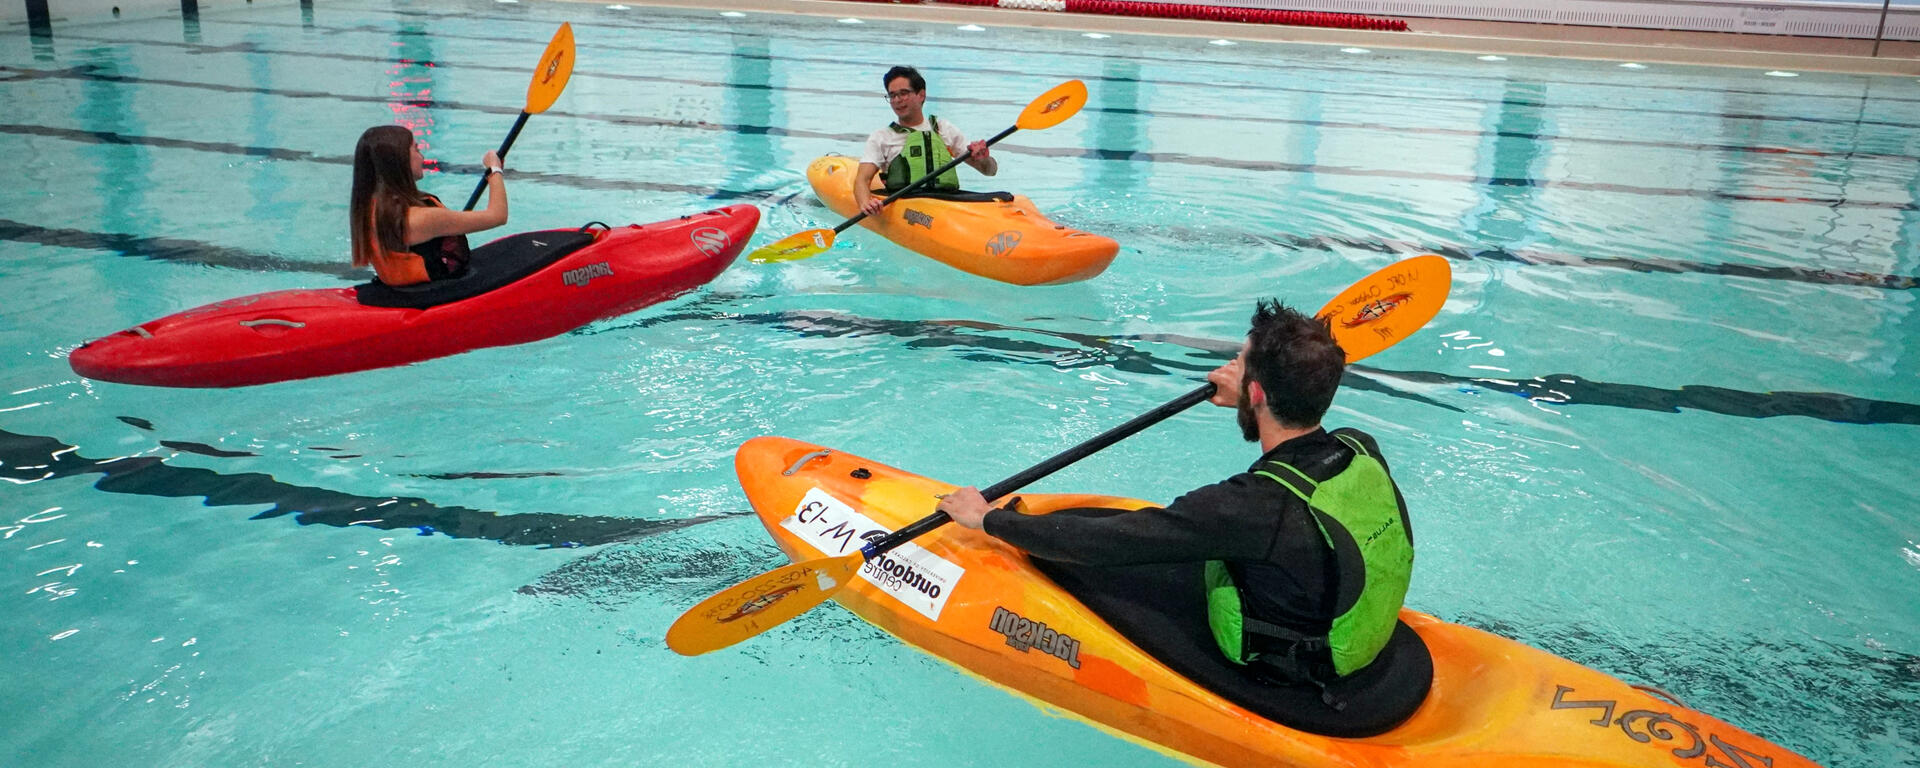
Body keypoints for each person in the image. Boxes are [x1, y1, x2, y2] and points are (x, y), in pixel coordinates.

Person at [938, 300, 1416, 710]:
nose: (1228, 367)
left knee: (1085, 561)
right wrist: (1249, 398)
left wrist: (988, 519)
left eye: (1238, 361)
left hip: (1291, 666)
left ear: (1255, 391)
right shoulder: (1358, 447)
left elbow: (1105, 543)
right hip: (1344, 628)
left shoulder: (1250, 507)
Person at [349, 125, 508, 286]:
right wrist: (494, 170)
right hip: (434, 292)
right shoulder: (419, 218)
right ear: (400, 160)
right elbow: (498, 216)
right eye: (416, 150)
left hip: (399, 288)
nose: (422, 157)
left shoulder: (369, 207)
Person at [855, 65, 998, 216]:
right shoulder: (881, 137)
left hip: (946, 204)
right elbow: (862, 180)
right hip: (908, 208)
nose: (897, 100)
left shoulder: (944, 129)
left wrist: (983, 158)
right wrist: (866, 203)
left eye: (903, 93)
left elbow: (990, 171)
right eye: (892, 95)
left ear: (921, 95)